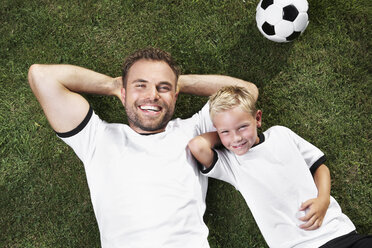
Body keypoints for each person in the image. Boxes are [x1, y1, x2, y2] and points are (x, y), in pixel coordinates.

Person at [27, 48, 258, 248]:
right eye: (141, 85)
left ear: (175, 95)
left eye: (163, 87)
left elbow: (246, 92)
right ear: (124, 93)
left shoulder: (193, 129)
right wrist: (111, 85)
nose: (152, 95)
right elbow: (42, 76)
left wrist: (180, 82)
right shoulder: (96, 138)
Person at [188, 86, 372, 248]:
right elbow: (197, 146)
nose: (236, 138)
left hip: (339, 231)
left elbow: (319, 166)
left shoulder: (281, 134)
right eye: (225, 132)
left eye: (242, 127)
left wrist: (323, 200)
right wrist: (223, 132)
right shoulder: (231, 164)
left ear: (257, 118)